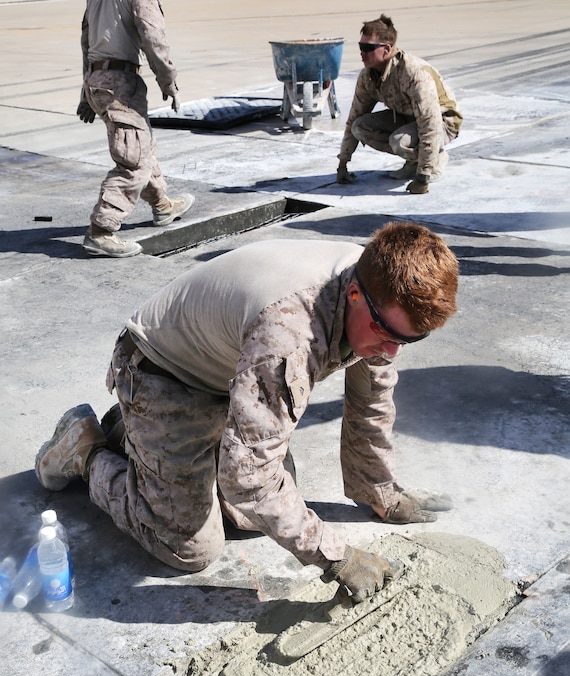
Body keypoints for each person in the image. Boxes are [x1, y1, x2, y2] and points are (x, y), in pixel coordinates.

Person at [35, 222, 458, 604]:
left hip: (230, 372)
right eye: (387, 334)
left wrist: (380, 491)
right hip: (161, 372)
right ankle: (87, 445)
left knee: (253, 518)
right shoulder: (290, 334)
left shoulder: (383, 284)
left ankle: (139, 438)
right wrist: (336, 556)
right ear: (354, 296)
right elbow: (249, 479)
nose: (392, 351)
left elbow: (372, 401)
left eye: (409, 340)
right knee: (189, 547)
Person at [77, 0, 194, 258]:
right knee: (134, 161)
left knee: (142, 148)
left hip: (100, 80)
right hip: (119, 83)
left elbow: (87, 39)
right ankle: (101, 230)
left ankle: (162, 205)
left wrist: (86, 92)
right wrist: (168, 81)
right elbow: (153, 36)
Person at [337, 15, 463, 195]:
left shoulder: (413, 73)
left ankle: (434, 159)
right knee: (360, 127)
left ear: (387, 49)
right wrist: (343, 162)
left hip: (443, 122)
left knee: (399, 142)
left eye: (368, 48)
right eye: (360, 46)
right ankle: (413, 161)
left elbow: (430, 123)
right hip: (407, 118)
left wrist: (423, 177)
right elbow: (354, 117)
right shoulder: (368, 76)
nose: (362, 53)